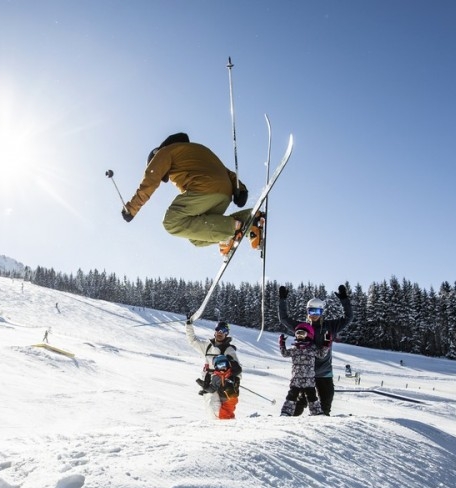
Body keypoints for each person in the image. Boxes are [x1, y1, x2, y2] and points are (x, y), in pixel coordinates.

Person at [122, 132, 261, 255]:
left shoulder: (164, 152)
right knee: (197, 238)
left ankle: (231, 230)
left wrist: (131, 209)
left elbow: (150, 179)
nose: (168, 177)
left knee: (172, 222)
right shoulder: (198, 151)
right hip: (224, 194)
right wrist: (241, 190)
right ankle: (250, 220)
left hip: (203, 189)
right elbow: (226, 172)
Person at [278, 284, 353, 415]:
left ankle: (320, 430)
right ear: (307, 312)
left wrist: (344, 299)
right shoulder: (302, 327)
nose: (313, 315)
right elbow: (284, 319)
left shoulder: (330, 326)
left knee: (325, 406)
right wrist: (282, 300)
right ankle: (290, 427)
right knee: (298, 405)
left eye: (316, 312)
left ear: (322, 312)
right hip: (306, 374)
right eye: (310, 311)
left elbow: (348, 318)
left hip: (324, 372)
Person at [186, 319, 242, 419]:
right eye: (218, 330)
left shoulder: (228, 350)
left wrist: (235, 382)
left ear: (226, 334)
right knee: (212, 407)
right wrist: (189, 326)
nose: (220, 333)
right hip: (209, 383)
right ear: (215, 331)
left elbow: (237, 369)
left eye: (223, 331)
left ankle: (227, 426)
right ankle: (218, 428)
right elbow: (193, 341)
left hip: (223, 383)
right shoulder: (207, 347)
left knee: (223, 408)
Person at [278, 322, 330, 416]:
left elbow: (321, 354)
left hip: (309, 379)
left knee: (312, 397)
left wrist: (326, 343)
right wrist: (282, 343)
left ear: (308, 335)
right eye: (298, 333)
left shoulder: (312, 348)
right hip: (296, 379)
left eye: (302, 333)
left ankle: (317, 413)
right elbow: (285, 354)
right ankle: (286, 412)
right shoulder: (294, 348)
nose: (300, 336)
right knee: (292, 395)